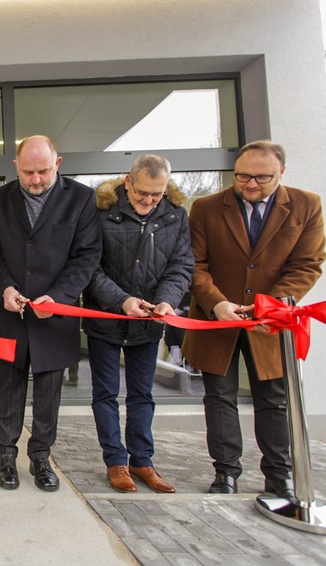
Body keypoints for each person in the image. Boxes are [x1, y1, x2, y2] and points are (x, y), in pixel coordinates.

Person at [181, 140, 326, 499]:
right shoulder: (206, 208)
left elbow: (308, 264)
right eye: (242, 176)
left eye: (262, 178)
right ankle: (225, 472)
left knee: (274, 400)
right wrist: (217, 304)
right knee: (219, 398)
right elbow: (194, 264)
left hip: (270, 322)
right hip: (218, 319)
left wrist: (269, 305)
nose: (250, 184)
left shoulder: (307, 205)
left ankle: (279, 476)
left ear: (281, 173)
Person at [0, 135, 101, 492]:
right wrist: (5, 288)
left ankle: (40, 458)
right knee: (10, 387)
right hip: (13, 311)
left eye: (44, 172)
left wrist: (60, 296)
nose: (35, 180)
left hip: (56, 314)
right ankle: (6, 457)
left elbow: (87, 256)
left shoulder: (81, 198)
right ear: (16, 167)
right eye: (28, 172)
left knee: (49, 390)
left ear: (58, 164)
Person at [83, 155, 193, 493]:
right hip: (106, 319)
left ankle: (142, 461)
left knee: (142, 395)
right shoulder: (100, 211)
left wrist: (167, 301)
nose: (148, 200)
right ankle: (115, 461)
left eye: (156, 195)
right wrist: (122, 301)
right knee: (105, 394)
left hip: (149, 323)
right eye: (142, 193)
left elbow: (181, 265)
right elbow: (88, 266)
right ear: (128, 182)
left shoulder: (176, 215)